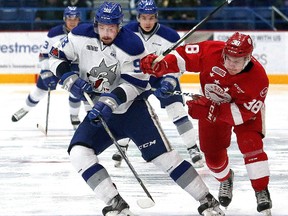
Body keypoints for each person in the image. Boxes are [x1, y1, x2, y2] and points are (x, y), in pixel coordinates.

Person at [48, 2, 224, 216]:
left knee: (164, 158)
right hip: (99, 114)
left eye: (111, 28)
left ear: (119, 26)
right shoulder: (79, 35)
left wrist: (109, 102)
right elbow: (56, 57)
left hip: (133, 112)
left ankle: (207, 200)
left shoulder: (132, 44)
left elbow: (137, 84)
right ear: (95, 25)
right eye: (102, 27)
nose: (106, 33)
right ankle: (114, 203)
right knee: (78, 152)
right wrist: (68, 78)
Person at [140, 32, 272, 215]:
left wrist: (211, 111)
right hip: (211, 104)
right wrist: (161, 66)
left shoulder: (259, 79)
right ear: (224, 52)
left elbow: (244, 114)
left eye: (238, 60)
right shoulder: (212, 51)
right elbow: (182, 56)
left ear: (248, 58)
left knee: (251, 145)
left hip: (242, 113)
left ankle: (261, 190)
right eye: (229, 58)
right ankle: (226, 179)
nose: (232, 64)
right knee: (213, 158)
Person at [112, 0, 204, 168]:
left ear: (156, 18)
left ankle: (193, 147)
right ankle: (122, 146)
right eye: (144, 18)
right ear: (138, 17)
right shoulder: (125, 33)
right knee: (127, 109)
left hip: (163, 77)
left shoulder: (170, 36)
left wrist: (170, 79)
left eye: (151, 18)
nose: (147, 22)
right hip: (136, 77)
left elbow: (180, 61)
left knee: (176, 110)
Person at [12, 6, 82, 130]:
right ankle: (25, 108)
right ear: (64, 19)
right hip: (54, 66)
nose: (72, 21)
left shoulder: (83, 33)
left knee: (76, 91)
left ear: (79, 19)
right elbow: (43, 55)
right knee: (39, 91)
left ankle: (74, 116)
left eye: (75, 18)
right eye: (69, 18)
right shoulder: (54, 33)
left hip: (74, 66)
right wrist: (45, 72)